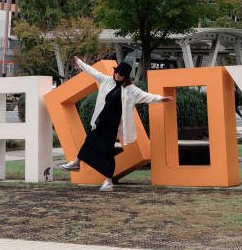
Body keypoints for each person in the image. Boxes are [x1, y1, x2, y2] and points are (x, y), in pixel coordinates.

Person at [59, 58, 171, 191]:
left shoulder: (131, 90)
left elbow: (146, 96)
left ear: (126, 76)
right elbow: (92, 72)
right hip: (100, 122)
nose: (117, 75)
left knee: (107, 151)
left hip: (112, 126)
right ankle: (77, 163)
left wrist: (161, 99)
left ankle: (108, 181)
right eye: (116, 72)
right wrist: (80, 63)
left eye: (121, 74)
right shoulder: (106, 80)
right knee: (89, 141)